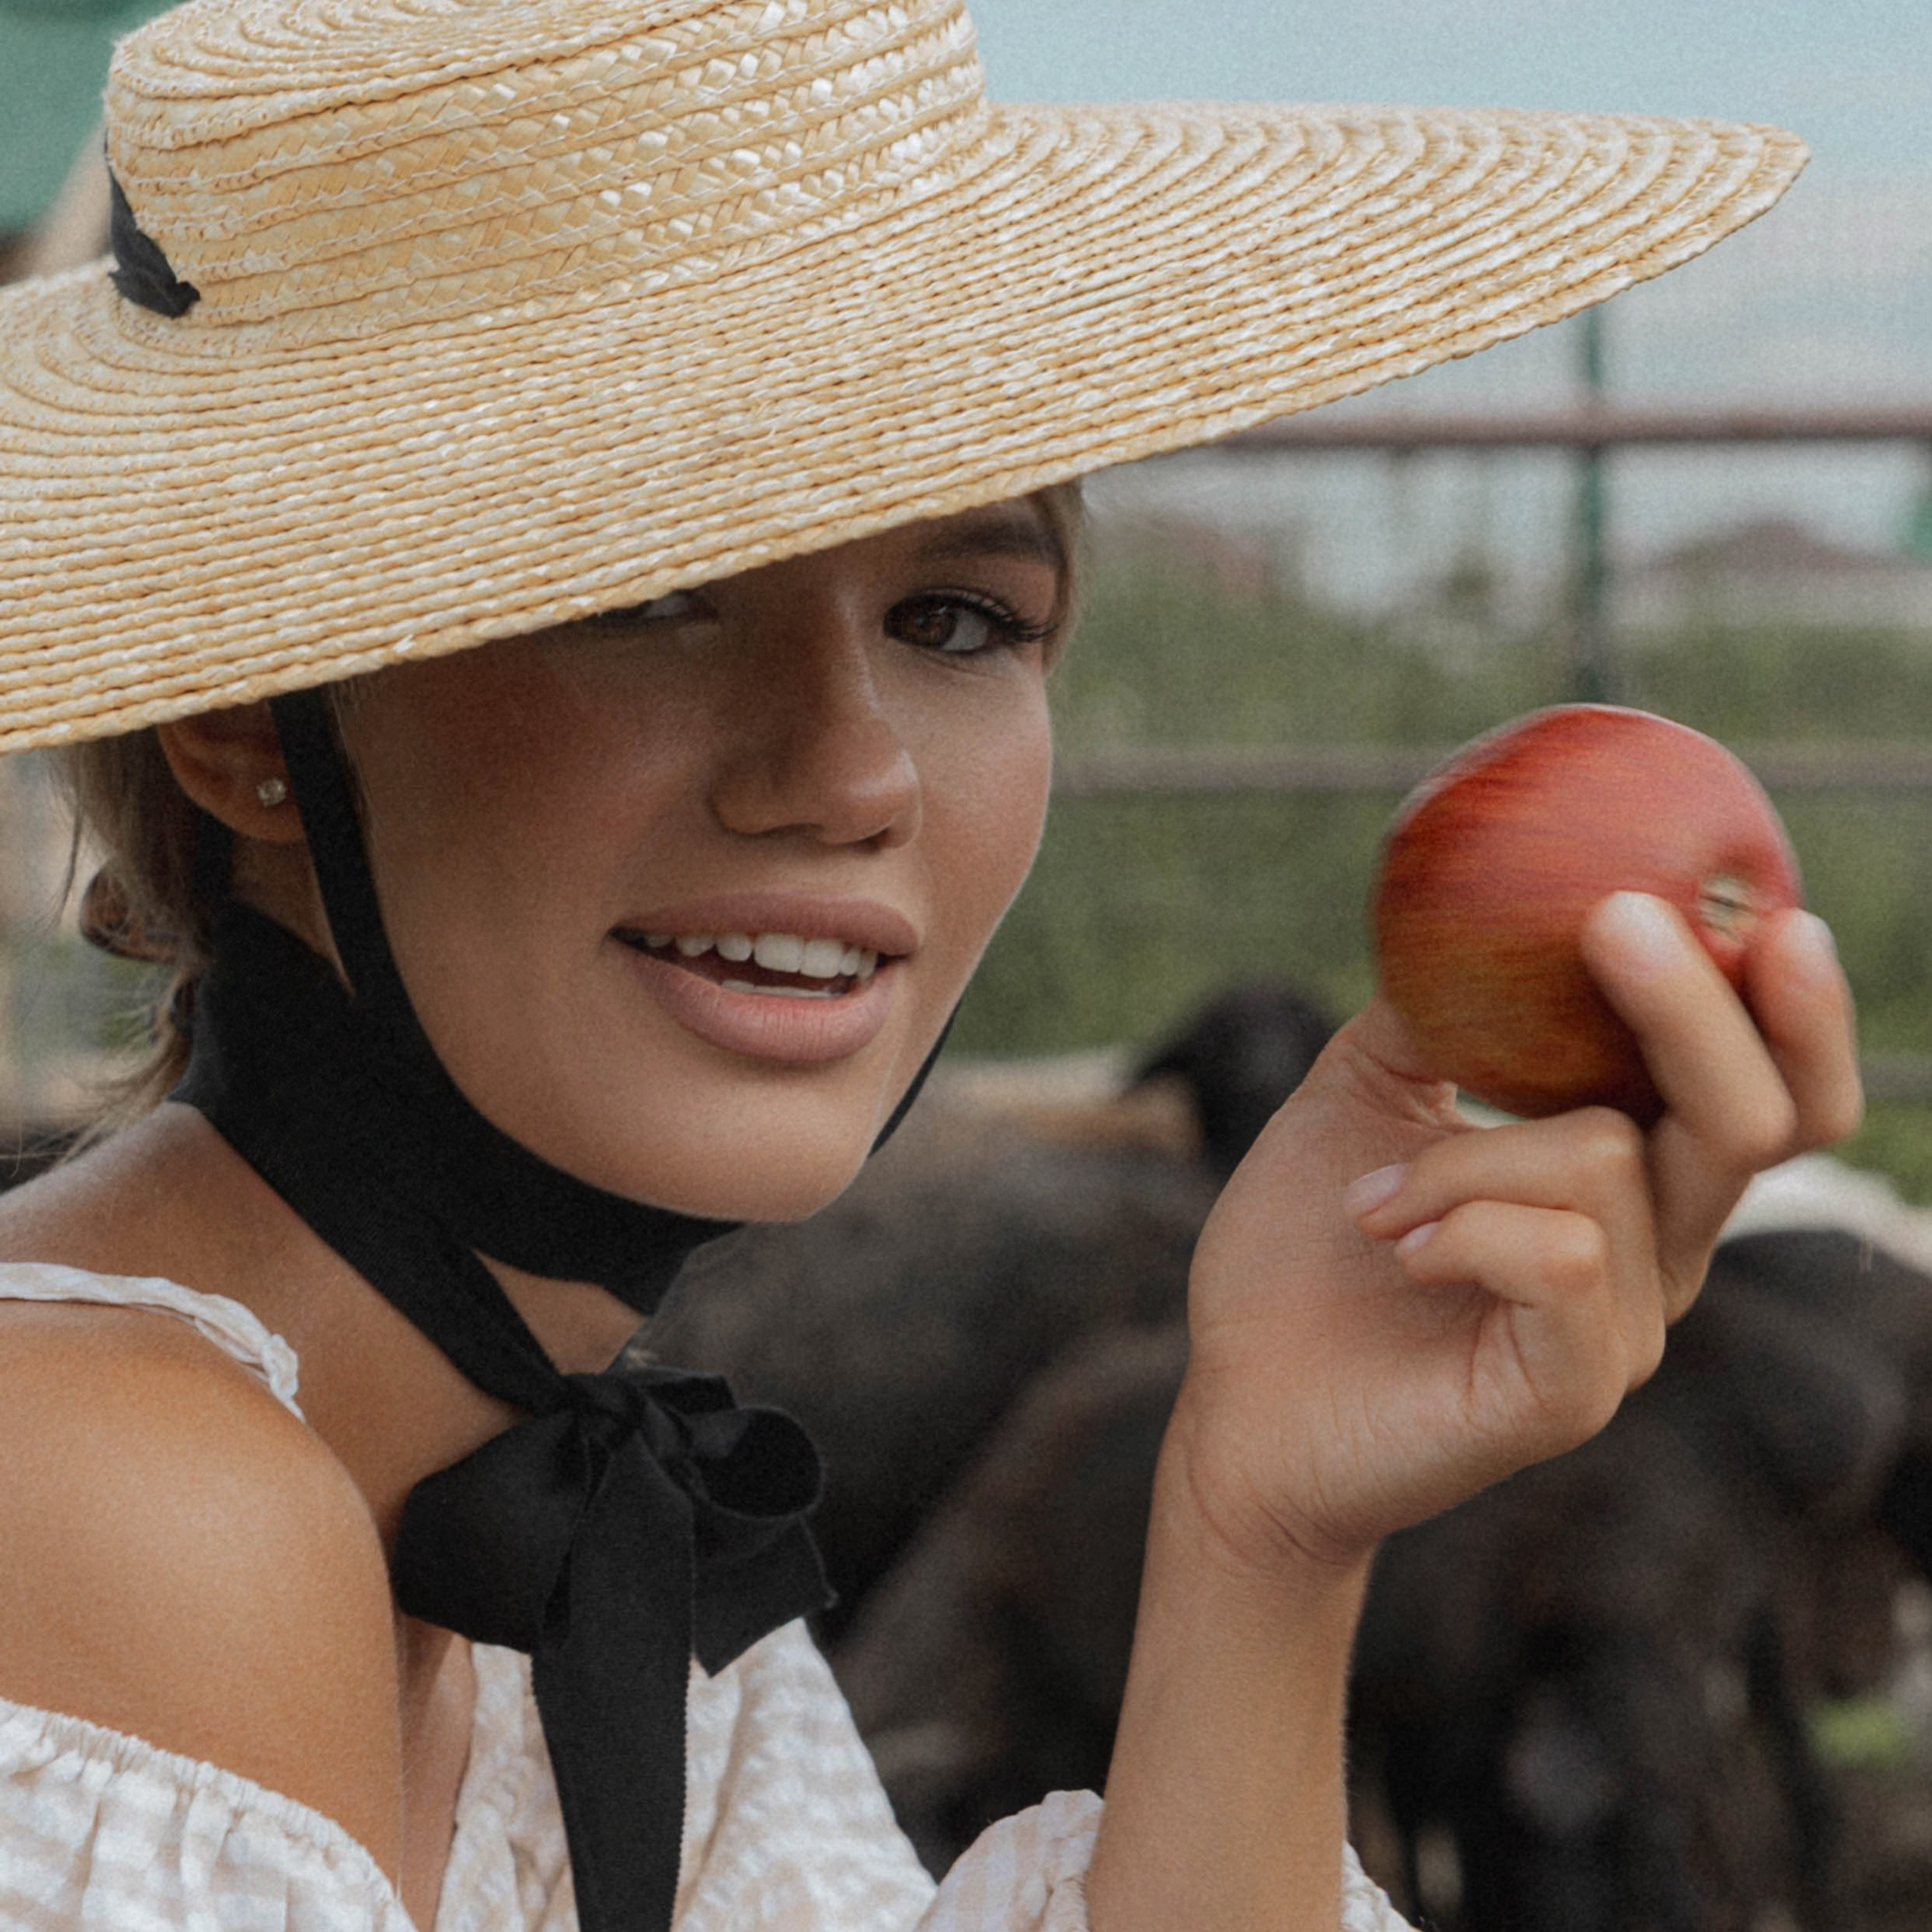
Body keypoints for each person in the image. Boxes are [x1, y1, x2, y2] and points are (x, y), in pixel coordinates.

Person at [0, 2, 1862, 1929]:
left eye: (957, 615)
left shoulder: (589, 1556)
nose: (854, 767)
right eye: (650, 590)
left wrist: (1264, 1521)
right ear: (243, 721)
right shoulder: (121, 1506)